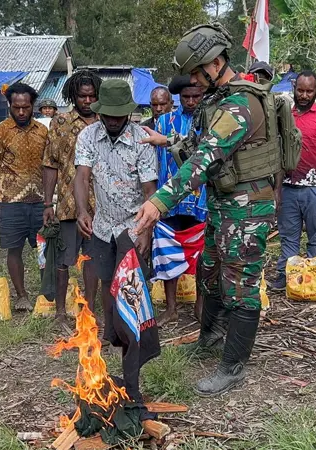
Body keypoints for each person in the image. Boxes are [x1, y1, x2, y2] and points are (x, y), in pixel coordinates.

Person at [135, 23, 276, 397]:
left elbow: (204, 159)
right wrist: (167, 141)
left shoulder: (240, 105)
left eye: (197, 73)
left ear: (215, 64)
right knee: (209, 271)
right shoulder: (219, 101)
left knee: (242, 285)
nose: (194, 82)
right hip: (223, 204)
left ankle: (233, 367)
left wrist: (159, 201)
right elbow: (198, 144)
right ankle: (210, 338)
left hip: (247, 208)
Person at [74, 79, 158, 323]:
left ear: (128, 113)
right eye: (108, 116)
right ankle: (112, 331)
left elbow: (150, 190)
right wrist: (82, 210)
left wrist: (146, 231)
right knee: (107, 280)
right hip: (103, 225)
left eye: (118, 116)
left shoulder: (141, 140)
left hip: (133, 226)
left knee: (132, 283)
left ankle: (134, 333)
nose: (112, 121)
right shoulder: (88, 136)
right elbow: (82, 176)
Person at [145, 74, 207, 325]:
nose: (191, 102)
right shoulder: (163, 122)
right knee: (166, 251)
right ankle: (171, 308)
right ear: (178, 98)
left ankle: (200, 306)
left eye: (196, 96)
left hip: (200, 198)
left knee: (202, 253)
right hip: (169, 199)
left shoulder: (209, 120)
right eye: (186, 97)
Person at [270, 70, 316, 290]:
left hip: (315, 188)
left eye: (309, 91)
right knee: (288, 236)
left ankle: (313, 278)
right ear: (294, 88)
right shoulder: (285, 117)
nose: (304, 95)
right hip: (288, 187)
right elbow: (277, 153)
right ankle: (287, 276)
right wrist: (277, 189)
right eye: (300, 90)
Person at [42, 70, 102, 324]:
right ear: (72, 96)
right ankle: (60, 312)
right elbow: (50, 163)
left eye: (92, 96)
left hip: (101, 205)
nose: (87, 101)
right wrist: (48, 203)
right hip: (68, 204)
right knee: (64, 258)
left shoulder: (105, 122)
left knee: (93, 258)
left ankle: (90, 310)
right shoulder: (61, 122)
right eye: (82, 96)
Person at [0, 82, 48, 312]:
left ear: (33, 106)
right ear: (9, 106)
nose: (21, 112)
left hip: (41, 201)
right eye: (16, 108)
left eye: (26, 107)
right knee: (14, 249)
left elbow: (51, 165)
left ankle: (47, 294)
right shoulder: (0, 132)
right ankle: (22, 295)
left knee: (45, 249)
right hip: (11, 201)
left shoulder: (43, 131)